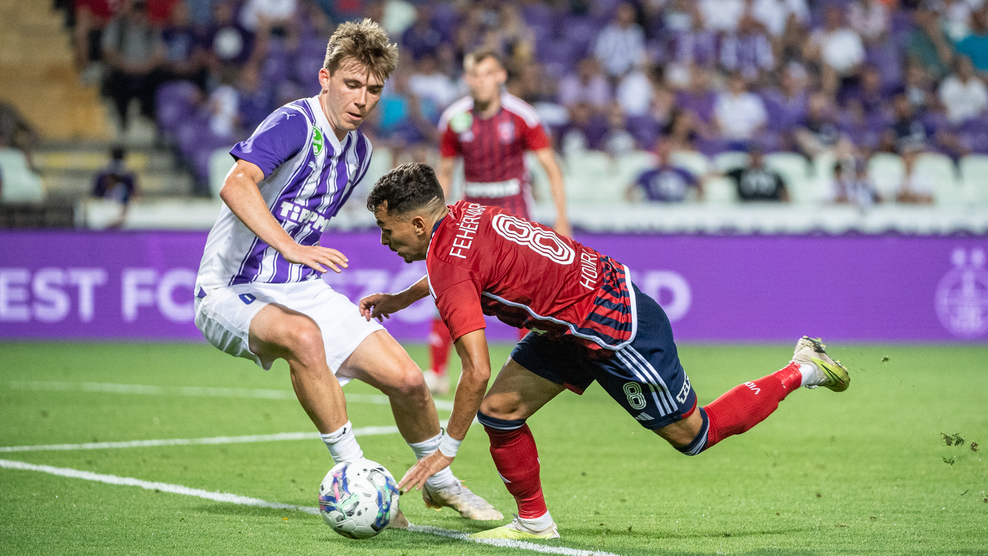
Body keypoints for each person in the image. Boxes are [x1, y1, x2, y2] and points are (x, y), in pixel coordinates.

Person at [359, 162, 851, 540]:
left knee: (693, 435)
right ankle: (535, 523)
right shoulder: (463, 214)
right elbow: (457, 271)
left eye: (387, 228)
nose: (384, 240)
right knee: (501, 412)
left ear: (419, 223)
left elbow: (476, 369)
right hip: (572, 323)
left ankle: (802, 367)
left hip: (614, 328)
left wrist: (446, 450)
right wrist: (401, 299)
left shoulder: (448, 261)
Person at [192, 19, 500, 524]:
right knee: (303, 337)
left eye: (373, 89)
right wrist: (290, 247)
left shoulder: (359, 153)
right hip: (230, 288)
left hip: (300, 287)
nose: (361, 99)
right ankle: (356, 477)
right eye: (352, 84)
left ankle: (441, 485)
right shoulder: (294, 122)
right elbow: (235, 184)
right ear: (325, 78)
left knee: (408, 380)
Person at [425, 49, 570, 394]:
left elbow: (551, 168)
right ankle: (437, 372)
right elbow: (445, 172)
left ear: (501, 76)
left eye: (487, 74)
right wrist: (435, 219)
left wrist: (562, 220)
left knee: (526, 298)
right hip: (471, 219)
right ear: (466, 79)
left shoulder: (522, 116)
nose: (480, 82)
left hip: (514, 218)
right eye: (474, 75)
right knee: (448, 288)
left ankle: (529, 373)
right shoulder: (455, 119)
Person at [91, 146, 137, 228]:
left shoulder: (126, 176)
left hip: (116, 208)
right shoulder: (104, 175)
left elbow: (133, 194)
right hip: (107, 207)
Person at [725, 144, 790, 202]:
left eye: (758, 156)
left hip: (770, 206)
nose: (755, 159)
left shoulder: (773, 174)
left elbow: (784, 191)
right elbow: (722, 174)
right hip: (747, 206)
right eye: (753, 156)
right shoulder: (740, 173)